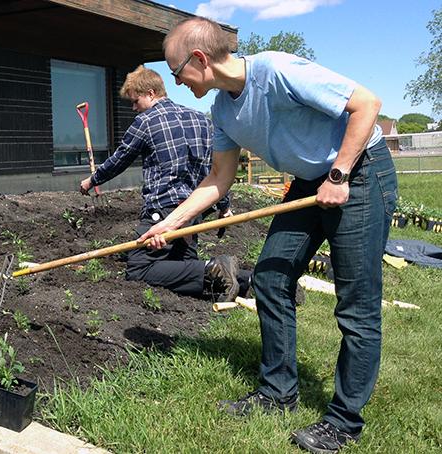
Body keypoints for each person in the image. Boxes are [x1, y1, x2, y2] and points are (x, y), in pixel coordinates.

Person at [147, 17, 397, 453]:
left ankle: (343, 421)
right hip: (308, 182)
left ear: (200, 59)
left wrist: (338, 174)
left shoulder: (277, 70)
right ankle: (278, 393)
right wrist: (171, 223)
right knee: (269, 279)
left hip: (358, 172)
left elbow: (367, 104)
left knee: (356, 305)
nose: (177, 82)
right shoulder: (223, 111)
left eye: (176, 72)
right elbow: (218, 178)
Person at [79, 64, 248, 302]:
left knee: (139, 268)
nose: (134, 108)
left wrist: (91, 180)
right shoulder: (201, 119)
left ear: (151, 93)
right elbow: (218, 170)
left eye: (136, 101)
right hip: (194, 210)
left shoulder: (146, 121)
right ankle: (252, 281)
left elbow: (120, 159)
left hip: (164, 210)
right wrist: (223, 206)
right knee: (183, 269)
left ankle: (215, 269)